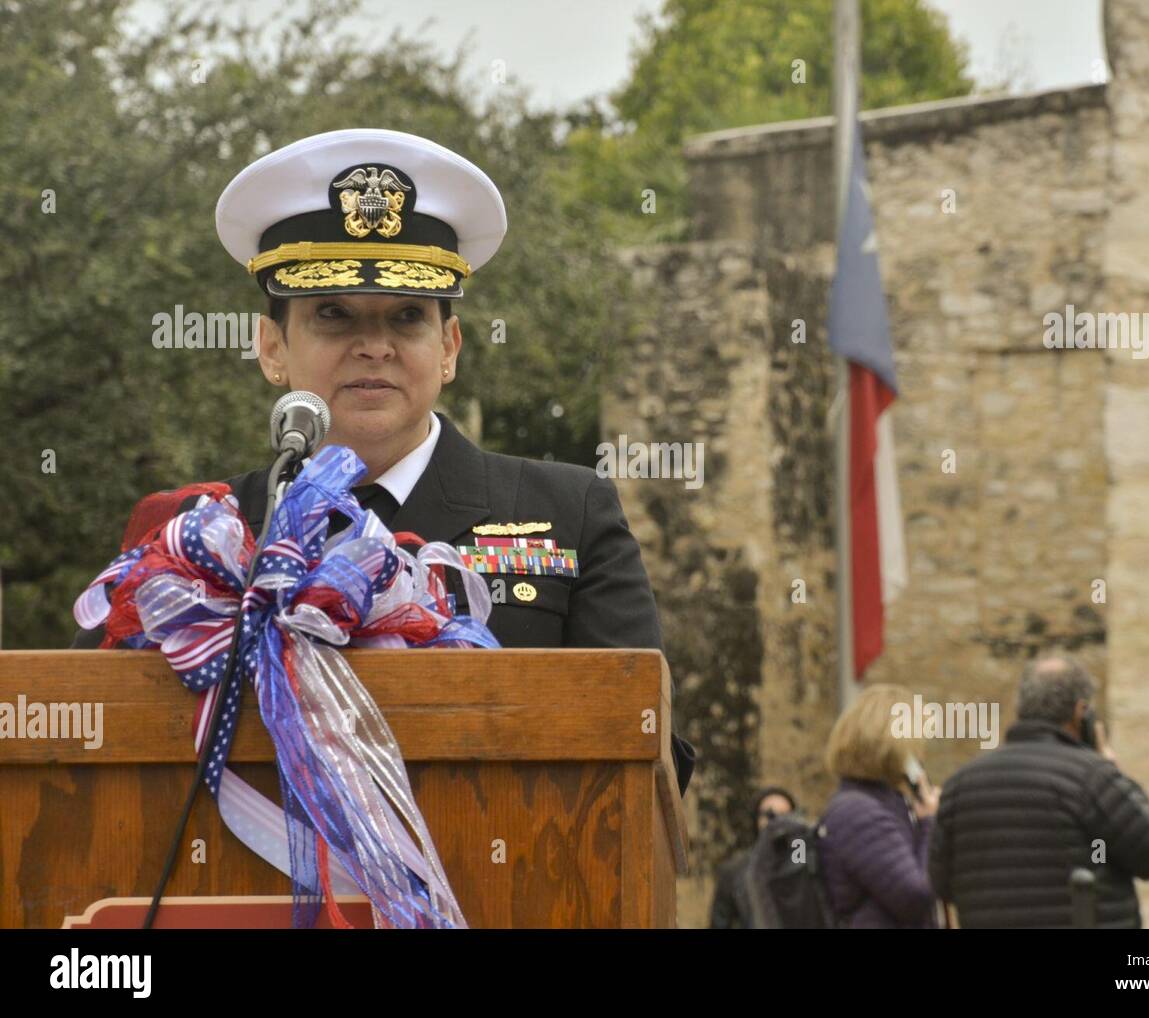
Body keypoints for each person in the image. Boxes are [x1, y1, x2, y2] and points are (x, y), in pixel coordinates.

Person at [70, 128, 695, 796]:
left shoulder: (567, 513)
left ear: (449, 347)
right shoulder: (196, 536)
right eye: (334, 315)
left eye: (406, 318)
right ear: (272, 347)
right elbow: (84, 732)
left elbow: (647, 751)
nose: (374, 346)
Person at [928, 651, 1149, 928]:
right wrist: (1112, 771)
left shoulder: (959, 786)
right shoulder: (1093, 776)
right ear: (1081, 712)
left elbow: (941, 884)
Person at [817, 684, 941, 929]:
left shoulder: (880, 805)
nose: (920, 753)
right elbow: (916, 898)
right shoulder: (859, 813)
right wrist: (929, 823)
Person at [708, 786, 796, 929]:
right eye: (769, 815)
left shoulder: (804, 868)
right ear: (756, 819)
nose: (777, 822)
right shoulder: (733, 872)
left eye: (784, 815)